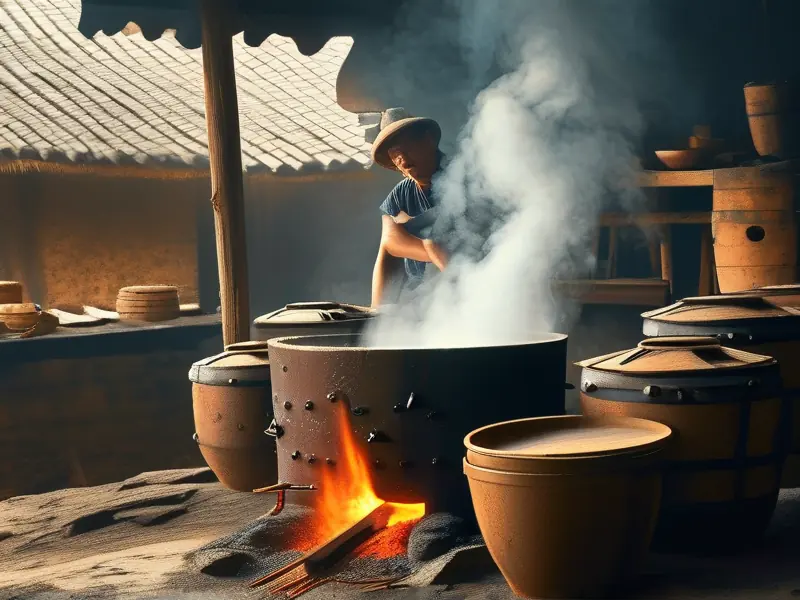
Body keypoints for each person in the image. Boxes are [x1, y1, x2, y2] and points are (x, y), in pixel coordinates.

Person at [369, 108, 449, 307]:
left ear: (428, 140)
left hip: (467, 287)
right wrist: (429, 248)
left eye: (407, 147)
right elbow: (390, 242)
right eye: (394, 154)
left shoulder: (463, 176)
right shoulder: (399, 196)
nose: (402, 159)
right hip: (420, 300)